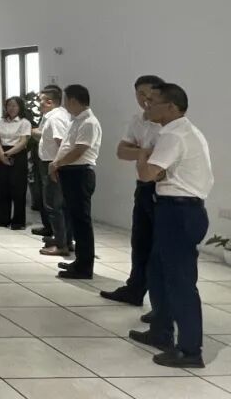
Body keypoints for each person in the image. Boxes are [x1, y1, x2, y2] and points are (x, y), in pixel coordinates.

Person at [128, 83, 212, 369]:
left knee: (180, 281)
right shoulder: (180, 131)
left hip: (180, 211)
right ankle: (161, 332)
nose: (147, 104)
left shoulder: (175, 135)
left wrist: (142, 155)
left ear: (172, 107)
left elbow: (148, 173)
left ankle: (190, 350)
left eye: (153, 101)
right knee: (157, 271)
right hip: (174, 209)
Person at [101, 75, 165, 307]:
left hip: (163, 189)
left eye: (150, 94)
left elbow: (160, 160)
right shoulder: (137, 120)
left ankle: (162, 306)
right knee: (140, 241)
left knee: (160, 247)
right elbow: (121, 151)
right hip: (143, 186)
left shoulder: (166, 123)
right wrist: (144, 152)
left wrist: (138, 151)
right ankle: (135, 289)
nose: (145, 99)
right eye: (140, 94)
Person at [51, 85, 102, 280]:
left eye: (65, 100)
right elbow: (68, 146)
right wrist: (58, 165)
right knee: (75, 219)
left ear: (73, 101)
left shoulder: (89, 122)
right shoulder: (77, 120)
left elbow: (79, 150)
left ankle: (84, 266)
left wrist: (57, 163)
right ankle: (79, 261)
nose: (64, 105)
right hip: (70, 172)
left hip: (80, 174)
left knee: (82, 222)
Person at [34, 86, 73, 257]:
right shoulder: (59, 115)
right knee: (61, 206)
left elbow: (62, 144)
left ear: (49, 102)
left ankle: (61, 244)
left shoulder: (55, 118)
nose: (39, 104)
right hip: (54, 163)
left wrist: (56, 165)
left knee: (54, 206)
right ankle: (64, 239)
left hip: (53, 164)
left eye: (41, 101)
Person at [0, 96, 31, 230]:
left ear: (20, 107)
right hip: (2, 153)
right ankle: (2, 219)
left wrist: (8, 154)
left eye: (14, 105)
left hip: (18, 155)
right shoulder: (2, 121)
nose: (11, 108)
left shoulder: (24, 122)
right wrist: (1, 154)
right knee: (1, 188)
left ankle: (18, 221)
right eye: (9, 105)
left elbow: (23, 142)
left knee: (18, 189)